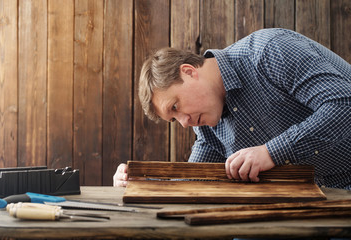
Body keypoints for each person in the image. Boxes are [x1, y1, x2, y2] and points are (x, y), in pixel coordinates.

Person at [113, 28, 351, 190]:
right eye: (174, 119)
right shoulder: (206, 125)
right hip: (317, 200)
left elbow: (343, 105)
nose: (184, 123)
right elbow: (192, 180)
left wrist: (270, 152)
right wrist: (141, 179)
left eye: (175, 106)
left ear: (188, 71)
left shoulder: (269, 50)